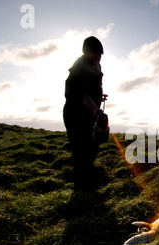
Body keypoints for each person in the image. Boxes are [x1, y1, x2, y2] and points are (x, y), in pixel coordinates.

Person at [63, 36, 108, 191]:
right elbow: (82, 95)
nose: (97, 56)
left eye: (100, 53)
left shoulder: (95, 67)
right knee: (80, 149)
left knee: (93, 146)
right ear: (85, 52)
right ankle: (81, 188)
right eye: (94, 52)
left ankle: (87, 178)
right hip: (76, 114)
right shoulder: (80, 68)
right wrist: (96, 110)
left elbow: (91, 91)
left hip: (89, 113)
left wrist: (99, 97)